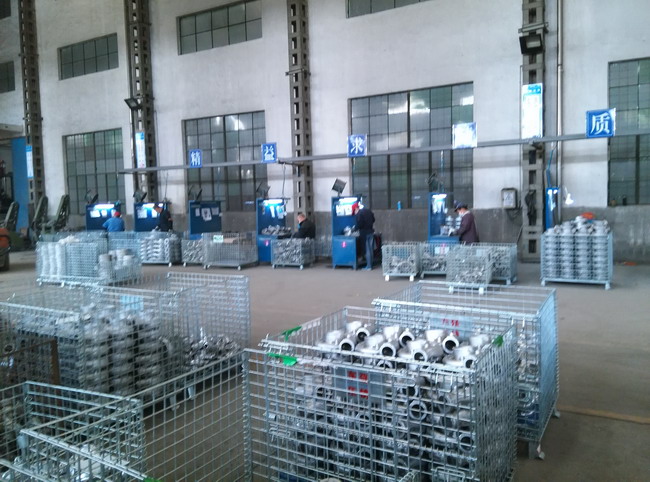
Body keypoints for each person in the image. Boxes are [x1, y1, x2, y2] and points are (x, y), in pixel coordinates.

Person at [353, 202, 375, 270]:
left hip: (365, 233)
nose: (354, 213)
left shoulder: (359, 214)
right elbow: (373, 220)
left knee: (367, 250)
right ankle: (371, 265)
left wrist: (354, 229)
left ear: (356, 209)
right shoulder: (368, 211)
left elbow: (360, 224)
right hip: (371, 232)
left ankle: (369, 266)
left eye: (354, 211)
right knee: (371, 249)